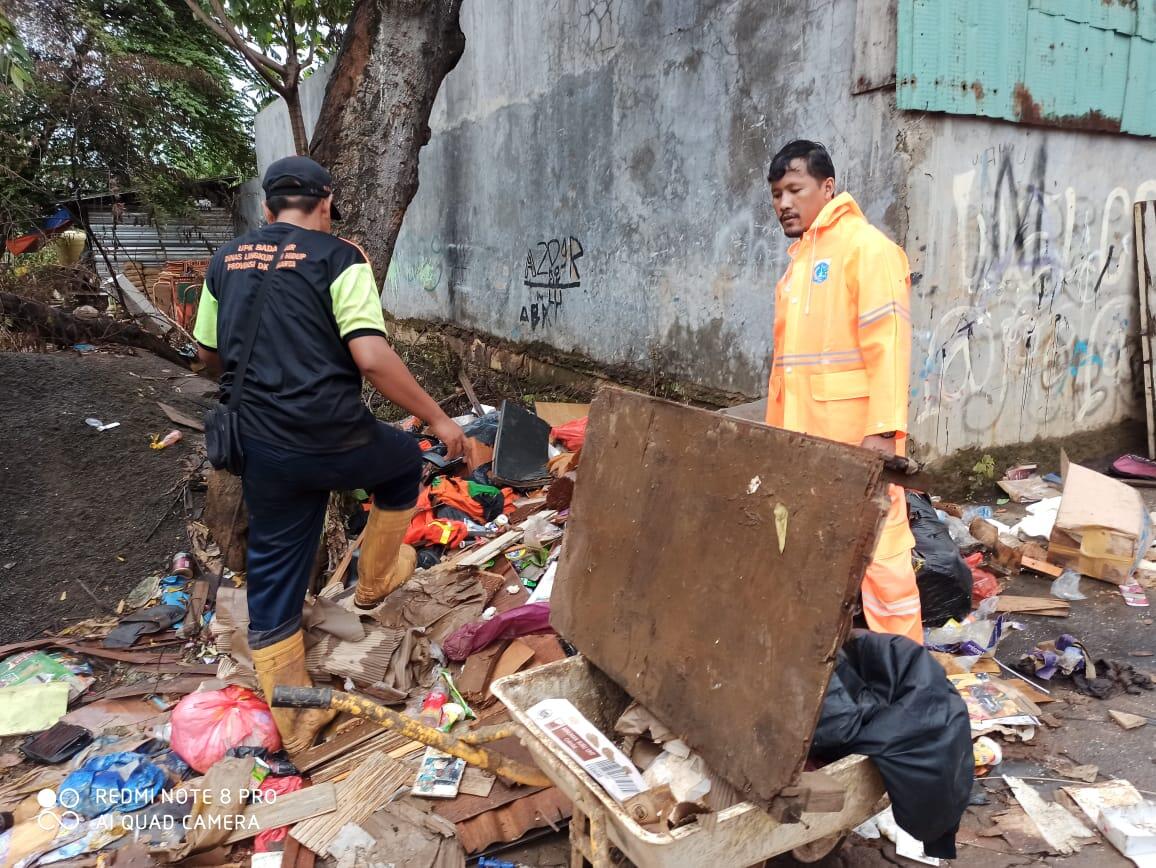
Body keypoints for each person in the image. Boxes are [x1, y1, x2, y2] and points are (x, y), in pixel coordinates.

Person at [193, 156, 467, 752]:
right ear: (324, 206)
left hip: (261, 445)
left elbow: (208, 354)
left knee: (274, 574)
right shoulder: (342, 257)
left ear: (267, 209)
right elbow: (370, 356)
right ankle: (374, 582)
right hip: (335, 438)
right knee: (401, 461)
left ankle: (295, 723)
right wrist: (441, 419)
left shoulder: (223, 262)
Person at [765, 140, 923, 643]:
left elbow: (889, 346)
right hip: (802, 442)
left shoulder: (867, 250)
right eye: (775, 194)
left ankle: (907, 667)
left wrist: (884, 434)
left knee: (882, 554)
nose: (784, 203)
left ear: (827, 187)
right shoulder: (799, 263)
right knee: (808, 551)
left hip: (856, 442)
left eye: (795, 189)